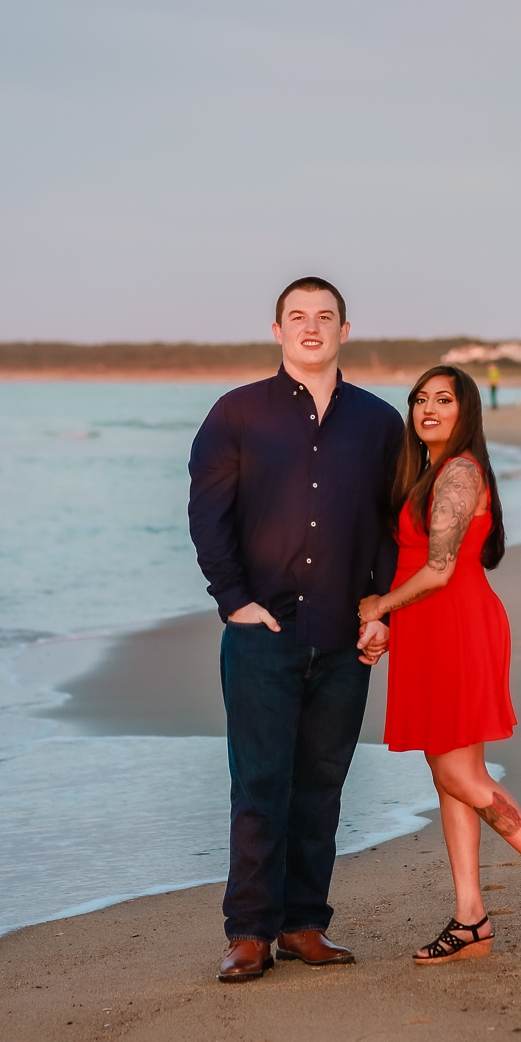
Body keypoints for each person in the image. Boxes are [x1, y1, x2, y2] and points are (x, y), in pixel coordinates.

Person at [188, 277, 403, 983]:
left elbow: (387, 526)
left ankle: (305, 925)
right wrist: (233, 601)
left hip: (344, 635)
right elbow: (207, 515)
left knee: (322, 783)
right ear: (278, 329)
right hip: (262, 631)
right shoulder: (236, 414)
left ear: (346, 329)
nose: (312, 328)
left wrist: (381, 610)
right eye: (298, 317)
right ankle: (249, 932)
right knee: (259, 783)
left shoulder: (378, 424)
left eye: (325, 317)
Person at [358, 367, 521, 964]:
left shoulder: (459, 473)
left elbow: (440, 568)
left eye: (442, 400)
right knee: (448, 772)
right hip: (432, 629)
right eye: (420, 399)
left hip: (456, 629)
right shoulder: (430, 473)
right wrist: (393, 622)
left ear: (465, 411)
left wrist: (379, 606)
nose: (428, 409)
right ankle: (471, 917)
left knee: (461, 777)